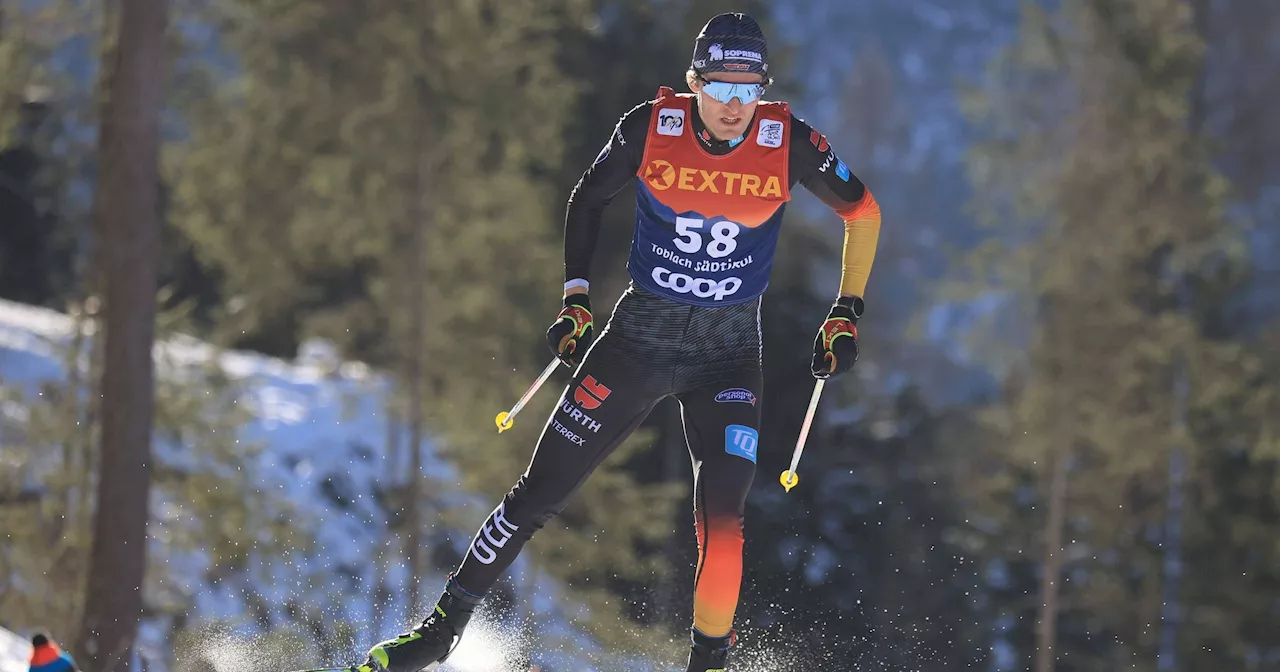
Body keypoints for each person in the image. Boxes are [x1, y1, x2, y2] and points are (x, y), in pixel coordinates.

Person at [350, 12, 881, 672]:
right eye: (720, 88)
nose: (734, 107)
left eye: (749, 91)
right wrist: (576, 297)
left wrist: (846, 311)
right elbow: (587, 198)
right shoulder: (650, 129)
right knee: (536, 494)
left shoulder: (790, 142)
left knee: (724, 520)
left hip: (728, 358)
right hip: (637, 343)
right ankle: (437, 634)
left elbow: (863, 211)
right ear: (694, 84)